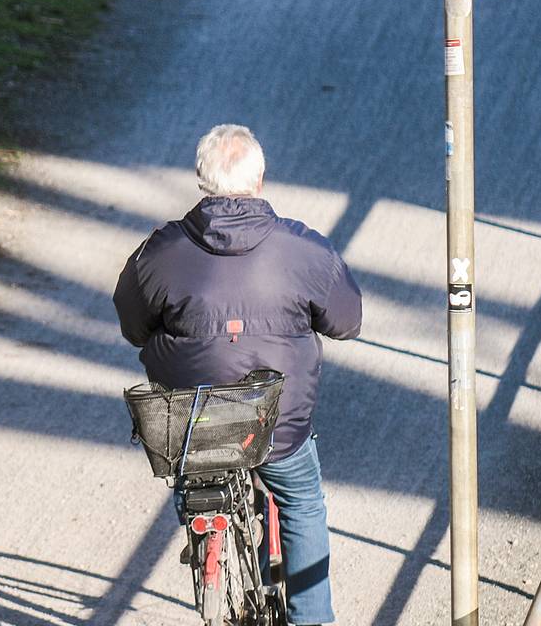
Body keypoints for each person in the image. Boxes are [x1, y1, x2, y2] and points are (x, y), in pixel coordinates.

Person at [113, 124, 362, 626]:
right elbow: (347, 322)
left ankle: (200, 520)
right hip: (277, 422)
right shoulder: (304, 249)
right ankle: (311, 618)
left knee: (195, 464)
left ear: (201, 178)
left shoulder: (158, 251)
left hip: (191, 419)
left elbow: (133, 327)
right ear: (260, 179)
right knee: (301, 502)